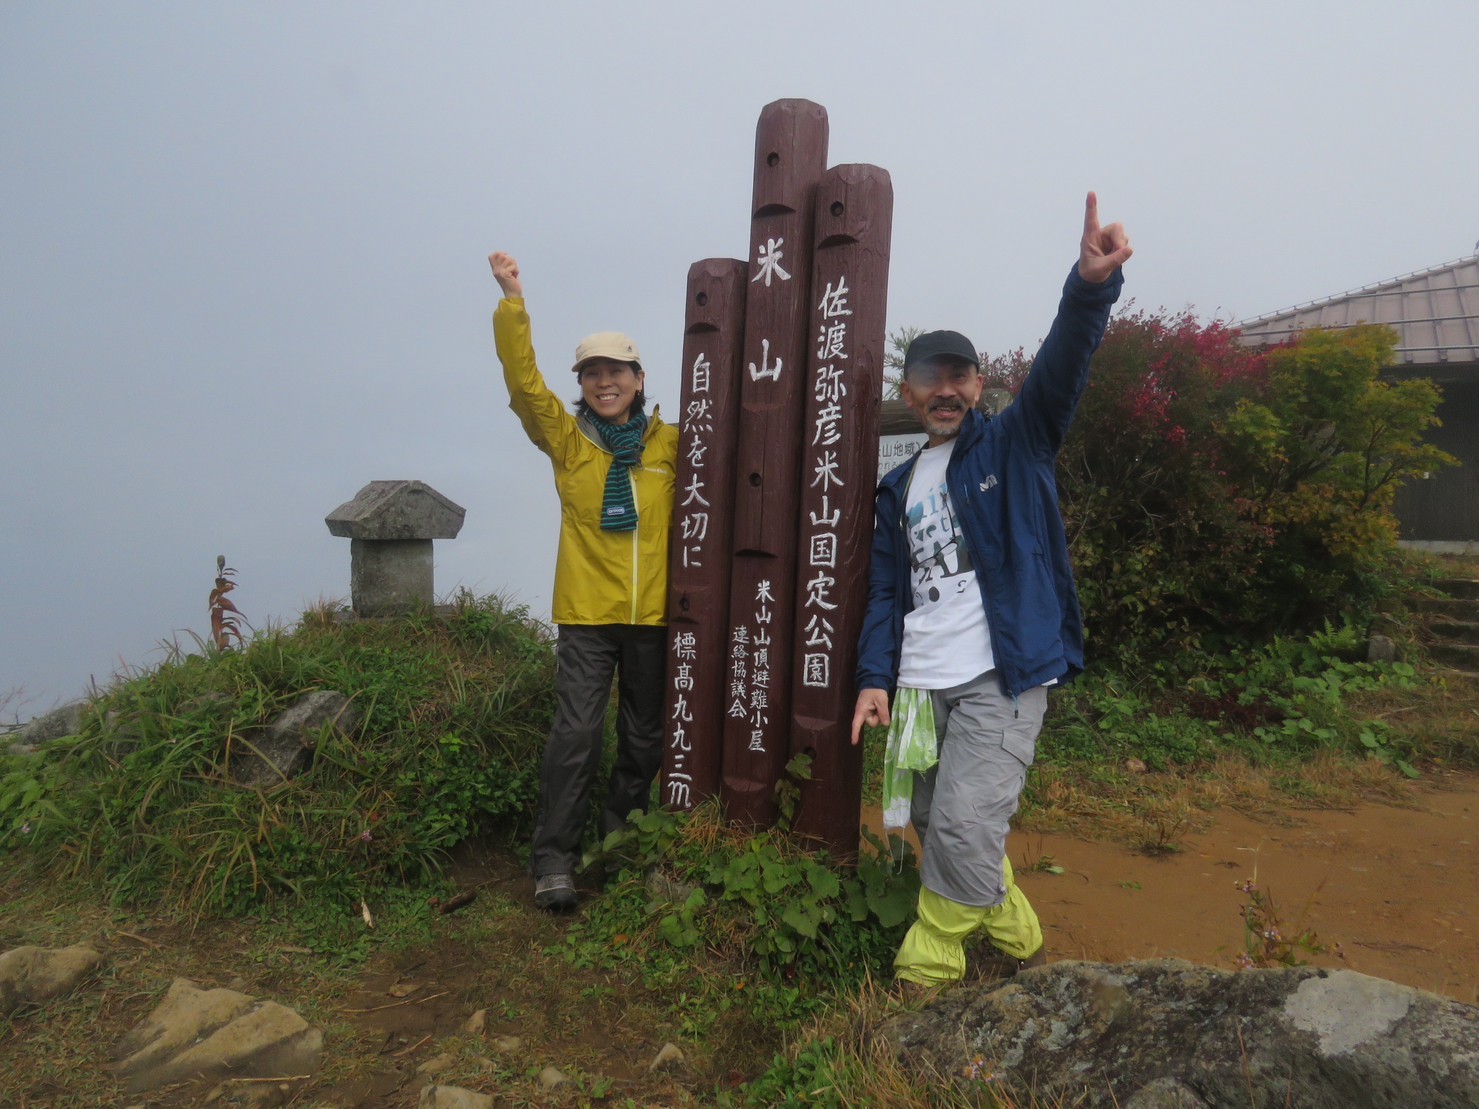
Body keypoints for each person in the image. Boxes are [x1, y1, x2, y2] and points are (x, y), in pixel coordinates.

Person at [850, 193, 1132, 989]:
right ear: (907, 393)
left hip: (1000, 676)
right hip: (918, 684)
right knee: (940, 822)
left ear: (978, 384)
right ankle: (1014, 930)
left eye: (958, 376)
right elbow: (883, 596)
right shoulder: (894, 487)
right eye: (927, 379)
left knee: (967, 821)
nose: (944, 390)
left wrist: (1087, 289)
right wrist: (874, 678)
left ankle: (930, 959)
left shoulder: (1016, 443)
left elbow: (1058, 372)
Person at [488, 251, 678, 913]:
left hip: (654, 613)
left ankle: (618, 846)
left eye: (615, 371)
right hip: (587, 614)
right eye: (592, 373)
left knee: (644, 738)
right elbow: (522, 387)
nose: (604, 382)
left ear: (638, 376)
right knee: (576, 735)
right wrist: (514, 302)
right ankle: (554, 858)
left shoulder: (670, 445)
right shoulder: (569, 442)